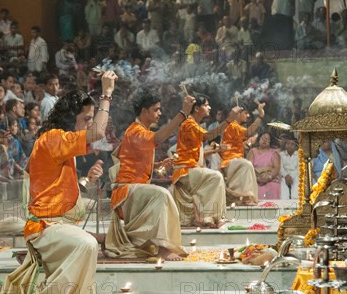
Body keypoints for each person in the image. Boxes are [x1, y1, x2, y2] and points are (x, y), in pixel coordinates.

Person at [0, 71, 117, 294]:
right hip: (45, 226)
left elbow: (56, 190)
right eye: (86, 118)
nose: (89, 123)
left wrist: (87, 181)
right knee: (87, 244)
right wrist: (106, 93)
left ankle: (2, 292)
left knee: (89, 248)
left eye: (90, 118)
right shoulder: (53, 139)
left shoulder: (58, 142)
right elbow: (98, 132)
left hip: (58, 223)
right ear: (70, 118)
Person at [105, 91, 195, 260]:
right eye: (156, 109)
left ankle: (162, 243)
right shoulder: (135, 131)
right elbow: (159, 138)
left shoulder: (140, 131)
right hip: (124, 193)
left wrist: (156, 166)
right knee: (161, 194)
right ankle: (162, 247)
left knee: (162, 194)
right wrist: (183, 113)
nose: (160, 113)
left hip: (133, 190)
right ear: (144, 111)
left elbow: (131, 161)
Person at [171, 95, 238, 228]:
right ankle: (212, 217)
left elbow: (197, 151)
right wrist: (229, 119)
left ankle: (210, 217)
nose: (209, 107)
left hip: (189, 169)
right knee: (216, 176)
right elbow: (209, 136)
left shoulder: (193, 124)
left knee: (214, 176)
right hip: (185, 171)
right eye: (206, 105)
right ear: (196, 108)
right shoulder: (189, 123)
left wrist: (214, 151)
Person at [220, 102, 265, 206]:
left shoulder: (235, 126)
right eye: (246, 113)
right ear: (237, 113)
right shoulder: (232, 125)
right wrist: (260, 116)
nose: (248, 116)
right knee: (247, 164)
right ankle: (245, 197)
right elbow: (249, 132)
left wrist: (249, 142)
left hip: (235, 160)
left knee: (246, 164)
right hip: (229, 162)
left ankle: (246, 196)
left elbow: (238, 145)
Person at [247, 131, 281, 199]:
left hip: (270, 180)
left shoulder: (274, 153)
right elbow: (249, 167)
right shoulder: (252, 151)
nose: (265, 140)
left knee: (274, 186)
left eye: (267, 139)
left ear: (270, 142)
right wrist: (258, 178)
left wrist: (269, 177)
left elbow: (276, 168)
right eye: (263, 138)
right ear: (259, 139)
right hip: (255, 179)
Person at [280, 134, 300, 200]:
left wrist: (291, 176)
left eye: (292, 144)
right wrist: (286, 176)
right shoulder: (281, 154)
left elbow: (299, 168)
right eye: (288, 143)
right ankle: (285, 202)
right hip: (284, 176)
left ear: (296, 146)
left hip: (295, 175)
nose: (289, 146)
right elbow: (280, 167)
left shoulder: (299, 155)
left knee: (297, 180)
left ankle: (295, 201)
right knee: (282, 182)